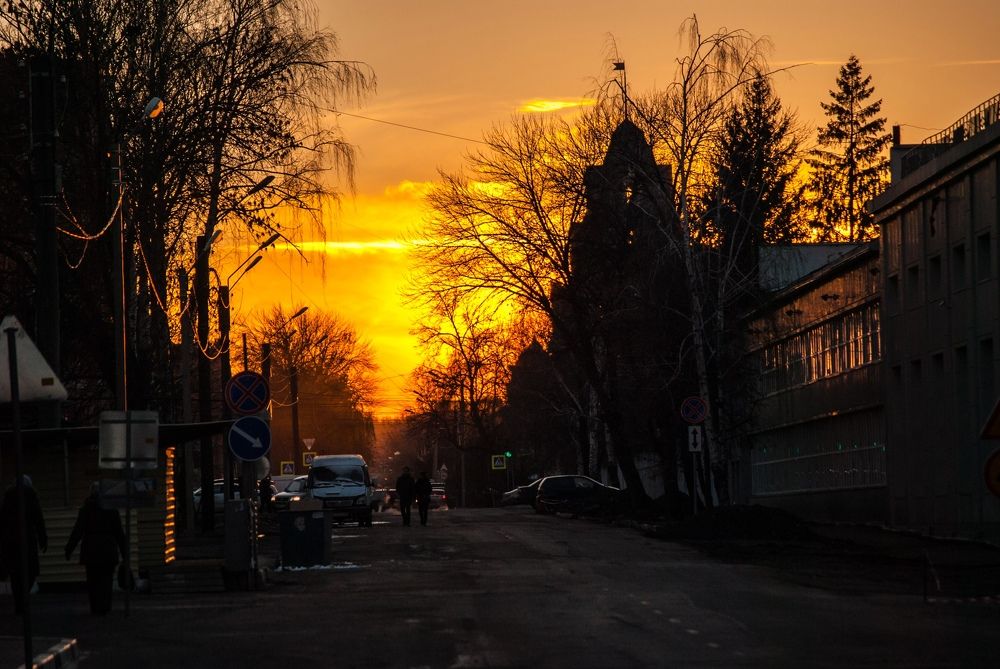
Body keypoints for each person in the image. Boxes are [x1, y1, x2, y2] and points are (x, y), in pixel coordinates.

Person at [64, 482, 127, 615]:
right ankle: (105, 607)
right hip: (108, 549)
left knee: (93, 581)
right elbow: (119, 533)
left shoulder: (86, 509)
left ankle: (95, 607)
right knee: (106, 581)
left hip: (91, 550)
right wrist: (124, 553)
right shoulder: (112, 509)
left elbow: (78, 531)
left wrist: (69, 548)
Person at [0, 475, 48, 615]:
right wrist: (43, 538)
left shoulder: (8, 497)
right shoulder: (31, 495)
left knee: (15, 574)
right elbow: (38, 518)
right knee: (30, 570)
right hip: (28, 539)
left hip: (11, 541)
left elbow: (2, 521)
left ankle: (19, 602)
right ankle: (23, 598)